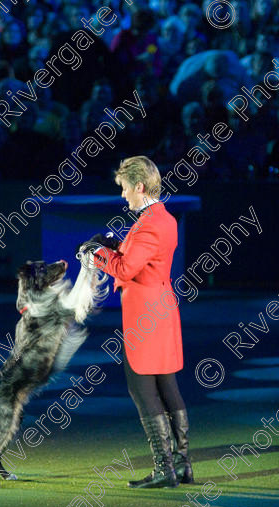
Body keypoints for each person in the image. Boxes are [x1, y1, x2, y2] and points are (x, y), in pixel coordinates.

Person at [83, 156, 193, 489]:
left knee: (142, 389)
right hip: (162, 308)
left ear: (139, 186)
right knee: (167, 387)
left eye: (125, 189)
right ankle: (182, 464)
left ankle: (164, 469)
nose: (123, 196)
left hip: (146, 314)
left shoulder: (147, 224)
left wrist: (97, 254)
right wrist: (114, 244)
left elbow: (126, 269)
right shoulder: (163, 218)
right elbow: (141, 257)